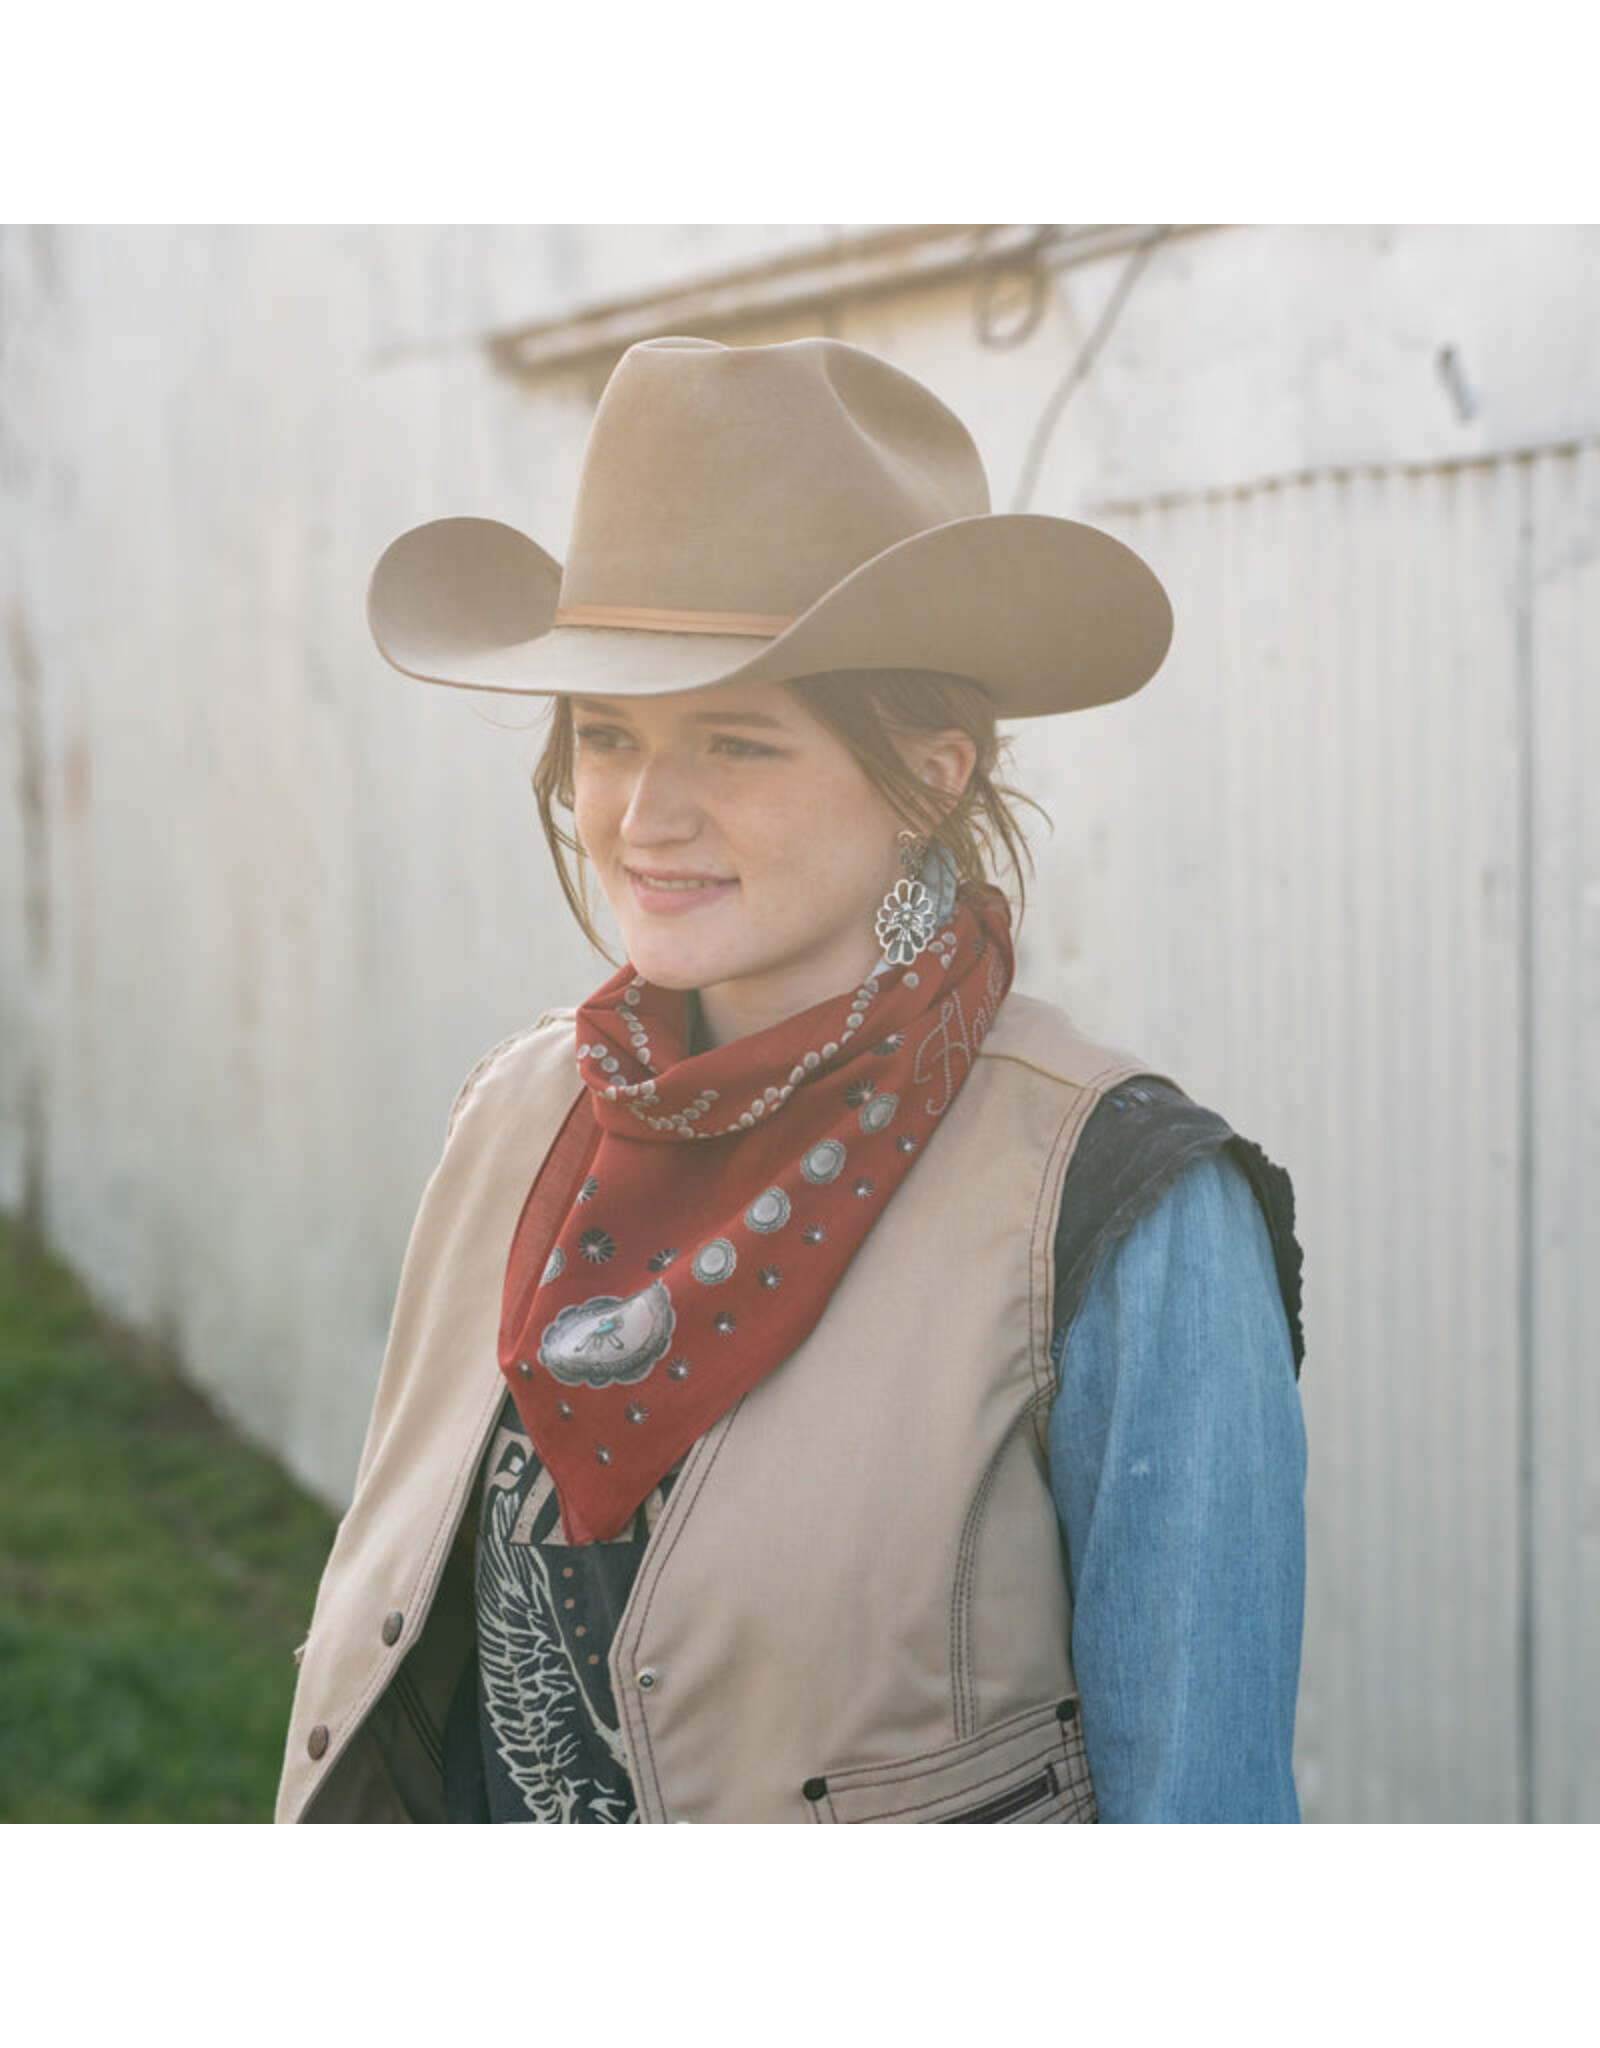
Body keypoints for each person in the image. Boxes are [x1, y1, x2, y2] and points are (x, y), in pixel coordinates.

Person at [276, 334, 1306, 1825]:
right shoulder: (517, 1114)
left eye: (738, 741)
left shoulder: (1120, 1210)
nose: (645, 813)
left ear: (933, 774)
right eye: (610, 734)